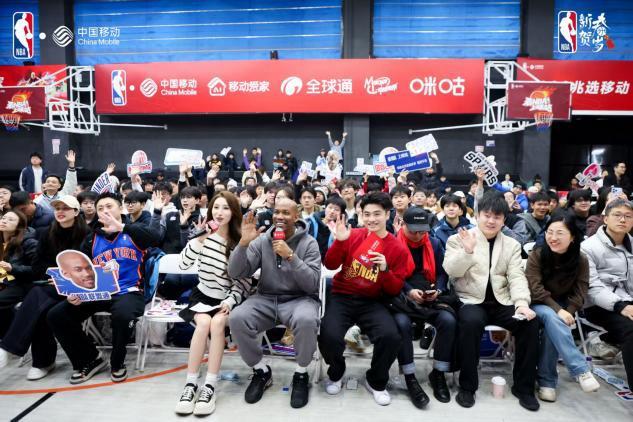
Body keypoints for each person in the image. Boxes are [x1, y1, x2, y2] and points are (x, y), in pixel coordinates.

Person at [47, 192, 159, 384]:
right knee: (56, 315)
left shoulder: (134, 232)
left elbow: (155, 238)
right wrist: (74, 291)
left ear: (121, 209)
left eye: (109, 206)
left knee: (123, 316)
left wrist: (122, 227)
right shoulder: (91, 239)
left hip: (129, 292)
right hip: (98, 293)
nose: (105, 211)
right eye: (100, 208)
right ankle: (90, 359)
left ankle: (117, 363)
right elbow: (81, 270)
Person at [443, 191, 540, 411]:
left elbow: (516, 277)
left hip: (502, 301)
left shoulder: (511, 244)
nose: (491, 221)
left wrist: (521, 303)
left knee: (530, 322)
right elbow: (451, 271)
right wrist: (467, 251)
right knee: (470, 323)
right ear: (477, 215)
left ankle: (523, 388)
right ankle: (467, 386)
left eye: (497, 216)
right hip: (471, 300)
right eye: (487, 215)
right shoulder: (459, 238)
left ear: (504, 219)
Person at [228, 198, 321, 409]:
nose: (280, 216)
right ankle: (261, 371)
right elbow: (236, 272)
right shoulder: (263, 240)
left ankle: (301, 373)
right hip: (266, 298)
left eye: (286, 213)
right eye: (277, 212)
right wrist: (243, 244)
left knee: (307, 320)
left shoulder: (309, 243)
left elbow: (312, 284)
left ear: (296, 216)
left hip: (300, 298)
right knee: (237, 317)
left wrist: (291, 257)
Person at [319, 192, 408, 406]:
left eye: (377, 214)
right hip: (342, 296)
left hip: (373, 301)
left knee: (390, 337)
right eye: (367, 214)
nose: (371, 219)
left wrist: (385, 270)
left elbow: (395, 288)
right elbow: (330, 264)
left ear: (388, 214)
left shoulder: (397, 247)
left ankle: (376, 380)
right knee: (328, 335)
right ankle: (336, 372)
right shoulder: (352, 235)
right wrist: (340, 242)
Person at [174, 192, 252, 416]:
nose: (219, 212)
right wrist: (199, 240)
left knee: (217, 324)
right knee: (203, 324)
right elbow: (183, 264)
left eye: (225, 208)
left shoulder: (240, 242)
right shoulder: (203, 235)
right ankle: (190, 384)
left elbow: (244, 283)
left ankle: (209, 386)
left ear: (234, 212)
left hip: (228, 298)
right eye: (216, 207)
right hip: (202, 295)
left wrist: (230, 300)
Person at [0, 195, 90, 380]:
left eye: (65, 208)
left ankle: (15, 351)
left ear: (75, 212)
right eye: (57, 208)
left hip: (80, 286)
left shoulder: (88, 234)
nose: (60, 212)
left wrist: (66, 277)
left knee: (38, 300)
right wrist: (53, 276)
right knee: (40, 305)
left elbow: (89, 265)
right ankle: (42, 362)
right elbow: (38, 265)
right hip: (53, 284)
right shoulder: (47, 233)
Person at [526, 213, 600, 402]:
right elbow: (535, 289)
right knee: (554, 318)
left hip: (564, 306)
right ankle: (580, 370)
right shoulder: (538, 254)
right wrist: (560, 311)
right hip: (538, 303)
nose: (553, 237)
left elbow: (581, 290)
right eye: (550, 232)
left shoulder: (581, 259)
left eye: (560, 233)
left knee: (554, 327)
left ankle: (547, 383)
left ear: (573, 237)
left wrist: (569, 311)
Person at [388, 207, 456, 407]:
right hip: (401, 298)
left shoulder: (433, 243)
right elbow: (390, 274)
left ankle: (439, 373)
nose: (418, 236)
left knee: (448, 321)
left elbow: (442, 273)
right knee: (402, 324)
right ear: (403, 225)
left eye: (422, 231)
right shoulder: (393, 244)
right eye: (413, 231)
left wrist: (439, 290)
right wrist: (409, 291)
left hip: (428, 297)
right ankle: (410, 376)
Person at [581, 198, 633, 386]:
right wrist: (620, 306)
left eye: (628, 216)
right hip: (600, 306)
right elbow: (592, 287)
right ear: (605, 219)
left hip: (629, 301)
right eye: (617, 215)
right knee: (630, 328)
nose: (623, 220)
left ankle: (608, 340)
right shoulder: (588, 247)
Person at [0, 210, 38, 334]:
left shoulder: (28, 242)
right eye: (3, 218)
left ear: (19, 226)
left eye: (10, 219)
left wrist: (13, 268)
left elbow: (37, 269)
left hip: (18, 283)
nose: (4, 221)